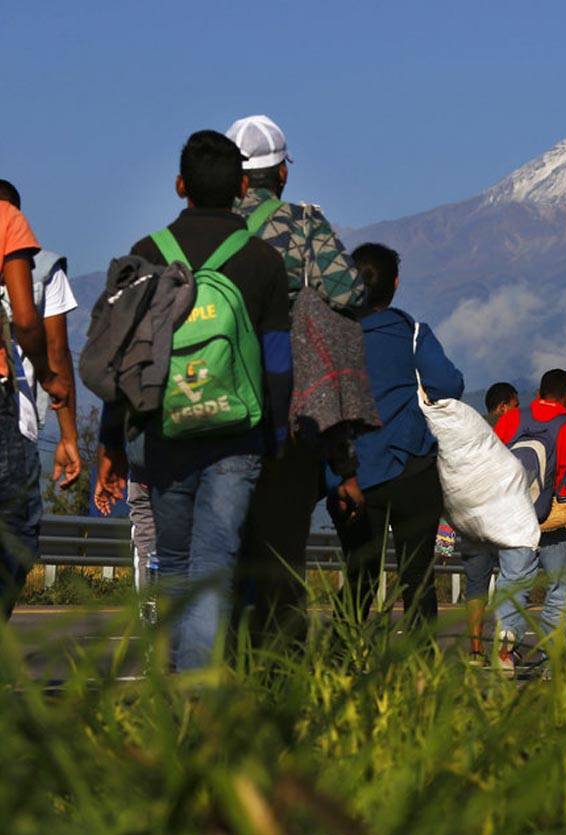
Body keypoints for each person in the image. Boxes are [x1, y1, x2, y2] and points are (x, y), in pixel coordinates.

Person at [94, 130, 291, 670]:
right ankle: (197, 694)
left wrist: (112, 440)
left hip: (165, 430)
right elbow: (278, 362)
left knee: (175, 561)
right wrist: (274, 439)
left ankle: (173, 685)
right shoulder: (261, 262)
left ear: (180, 185)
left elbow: (125, 358)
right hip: (236, 437)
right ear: (240, 188)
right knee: (214, 562)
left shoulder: (148, 254)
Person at [225, 114, 373, 647]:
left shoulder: (201, 227)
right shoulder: (303, 223)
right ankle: (274, 673)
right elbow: (349, 293)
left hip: (206, 407)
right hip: (283, 406)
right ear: (280, 174)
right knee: (280, 550)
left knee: (214, 549)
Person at [327, 243, 463, 624]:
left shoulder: (336, 339)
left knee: (360, 575)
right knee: (417, 576)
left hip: (353, 474)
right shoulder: (412, 332)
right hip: (412, 468)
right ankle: (420, 668)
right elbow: (447, 385)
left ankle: (341, 660)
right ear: (396, 284)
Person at [0, 186, 71, 617]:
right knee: (16, 529)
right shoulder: (7, 219)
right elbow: (28, 323)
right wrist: (45, 374)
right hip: (8, 403)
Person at [492, 369, 566, 673]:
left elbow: (492, 463)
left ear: (538, 393)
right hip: (556, 520)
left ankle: (506, 649)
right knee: (560, 588)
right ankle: (555, 661)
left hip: (516, 518)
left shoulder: (511, 420)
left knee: (513, 583)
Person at [0, 181, 81, 491]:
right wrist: (69, 435)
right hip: (16, 417)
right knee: (16, 529)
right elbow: (56, 349)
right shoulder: (45, 267)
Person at [456, 382, 519, 661]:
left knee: (475, 587)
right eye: (515, 405)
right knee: (512, 581)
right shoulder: (514, 431)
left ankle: (475, 651)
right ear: (504, 405)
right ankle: (505, 652)